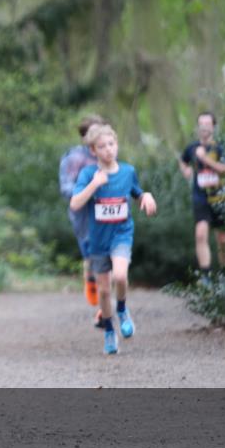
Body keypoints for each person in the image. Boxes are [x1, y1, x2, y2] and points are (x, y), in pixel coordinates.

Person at [71, 124, 157, 355]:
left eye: (111, 144)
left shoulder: (128, 171)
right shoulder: (89, 174)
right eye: (102, 146)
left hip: (122, 234)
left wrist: (146, 197)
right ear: (93, 150)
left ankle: (122, 310)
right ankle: (109, 331)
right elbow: (75, 203)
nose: (108, 150)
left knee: (120, 276)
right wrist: (94, 185)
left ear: (117, 145)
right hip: (99, 240)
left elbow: (138, 193)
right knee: (103, 291)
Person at [59, 115, 106, 311]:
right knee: (91, 257)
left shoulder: (108, 154)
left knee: (108, 258)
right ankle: (91, 285)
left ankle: (105, 307)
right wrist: (89, 190)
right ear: (85, 136)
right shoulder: (75, 158)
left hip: (107, 213)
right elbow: (66, 188)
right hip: (84, 216)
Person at [178, 111, 225, 278]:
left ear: (214, 127)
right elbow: (182, 159)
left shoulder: (221, 147)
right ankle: (206, 277)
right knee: (200, 234)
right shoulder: (192, 148)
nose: (204, 128)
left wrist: (205, 159)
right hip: (200, 197)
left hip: (221, 198)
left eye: (207, 125)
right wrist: (185, 169)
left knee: (223, 240)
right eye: (201, 125)